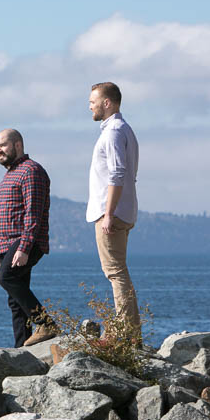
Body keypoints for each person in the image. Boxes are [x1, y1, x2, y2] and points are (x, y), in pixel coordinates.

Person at [87, 82, 141, 337]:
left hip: (112, 213)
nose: (90, 106)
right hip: (122, 210)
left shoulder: (114, 132)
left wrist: (108, 213)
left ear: (107, 102)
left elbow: (118, 173)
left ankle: (127, 335)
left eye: (93, 101)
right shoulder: (124, 130)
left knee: (115, 273)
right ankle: (131, 333)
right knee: (119, 272)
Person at [0, 128, 57, 347]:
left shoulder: (31, 171)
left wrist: (25, 247)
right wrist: (1, 253)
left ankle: (45, 323)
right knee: (14, 300)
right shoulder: (9, 175)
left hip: (24, 242)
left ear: (18, 145)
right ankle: (22, 349)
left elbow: (33, 212)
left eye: (3, 145)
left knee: (5, 278)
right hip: (8, 244)